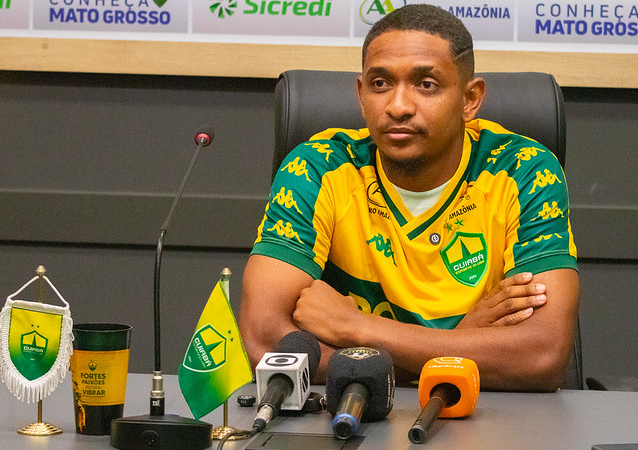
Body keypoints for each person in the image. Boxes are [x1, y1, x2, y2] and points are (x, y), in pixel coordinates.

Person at [239, 4, 579, 392]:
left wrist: (356, 328)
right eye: (380, 83)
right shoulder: (317, 169)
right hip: (349, 417)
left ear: (470, 99)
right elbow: (266, 342)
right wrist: (452, 350)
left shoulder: (523, 171)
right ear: (361, 94)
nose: (398, 106)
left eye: (426, 85)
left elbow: (542, 356)